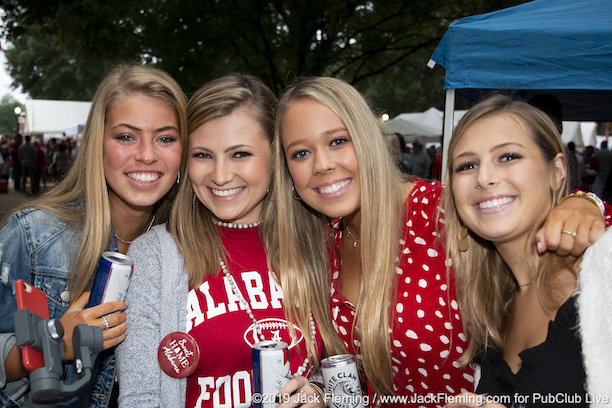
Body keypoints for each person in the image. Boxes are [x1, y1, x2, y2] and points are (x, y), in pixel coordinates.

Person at [272, 77, 607, 407]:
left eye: (338, 141)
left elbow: (529, 213)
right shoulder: (319, 245)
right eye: (301, 153)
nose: (323, 164)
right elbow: (361, 371)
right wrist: (321, 391)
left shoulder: (442, 210)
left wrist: (582, 202)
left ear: (368, 141)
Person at [117, 74, 342, 408]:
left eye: (240, 154)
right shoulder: (157, 254)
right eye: (203, 155)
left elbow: (353, 381)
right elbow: (140, 396)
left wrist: (324, 397)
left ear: (276, 156)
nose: (220, 175)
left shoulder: (321, 241)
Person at [0, 64, 187, 408]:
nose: (147, 154)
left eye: (165, 138)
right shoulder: (32, 236)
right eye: (126, 136)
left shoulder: (190, 248)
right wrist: (51, 344)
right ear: (96, 144)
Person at [442, 95, 610, 408]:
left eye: (507, 157)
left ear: (557, 171)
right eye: (466, 165)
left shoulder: (604, 273)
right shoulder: (496, 306)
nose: (484, 177)